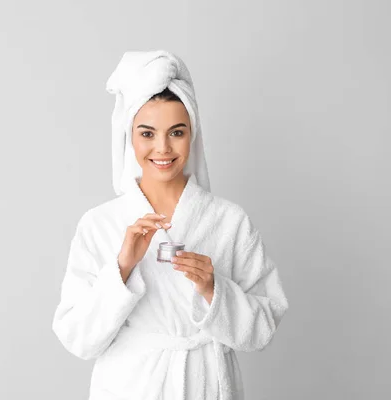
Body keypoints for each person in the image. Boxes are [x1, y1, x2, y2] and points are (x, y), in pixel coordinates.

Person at [52, 50, 289, 400]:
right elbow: (77, 338)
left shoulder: (229, 221)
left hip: (207, 385)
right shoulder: (100, 224)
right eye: (147, 133)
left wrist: (214, 290)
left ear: (192, 134)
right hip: (131, 387)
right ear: (129, 137)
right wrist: (122, 269)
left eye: (176, 132)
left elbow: (263, 328)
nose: (162, 148)